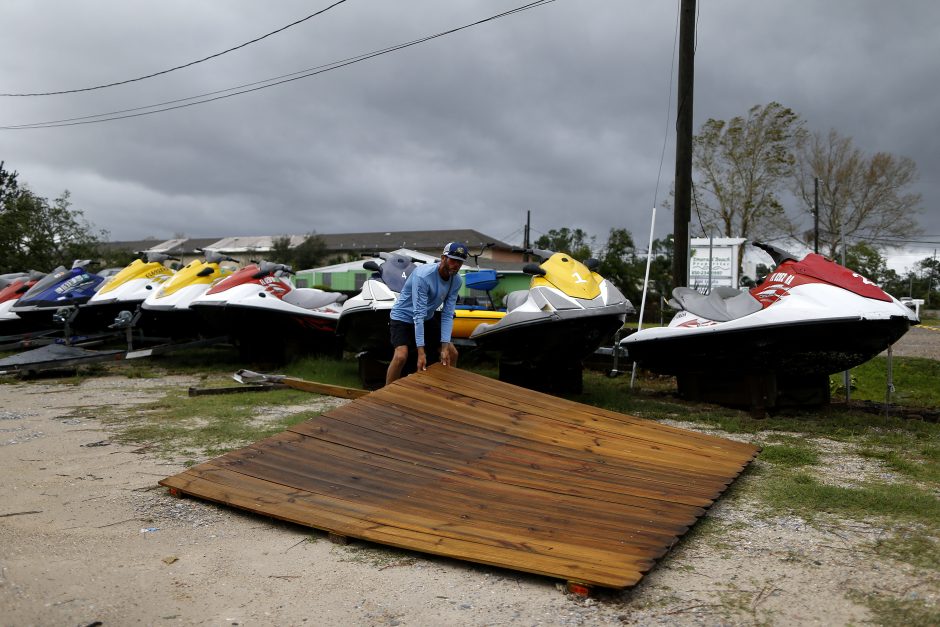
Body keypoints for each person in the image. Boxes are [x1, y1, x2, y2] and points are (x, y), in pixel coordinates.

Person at [385, 241, 468, 385]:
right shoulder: (424, 275)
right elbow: (418, 314)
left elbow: (448, 314)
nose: (456, 265)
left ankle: (445, 390)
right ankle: (385, 395)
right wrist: (421, 352)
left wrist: (444, 347)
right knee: (401, 356)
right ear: (443, 258)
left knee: (452, 353)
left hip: (427, 318)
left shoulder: (456, 281)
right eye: (453, 260)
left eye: (460, 262)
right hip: (403, 317)